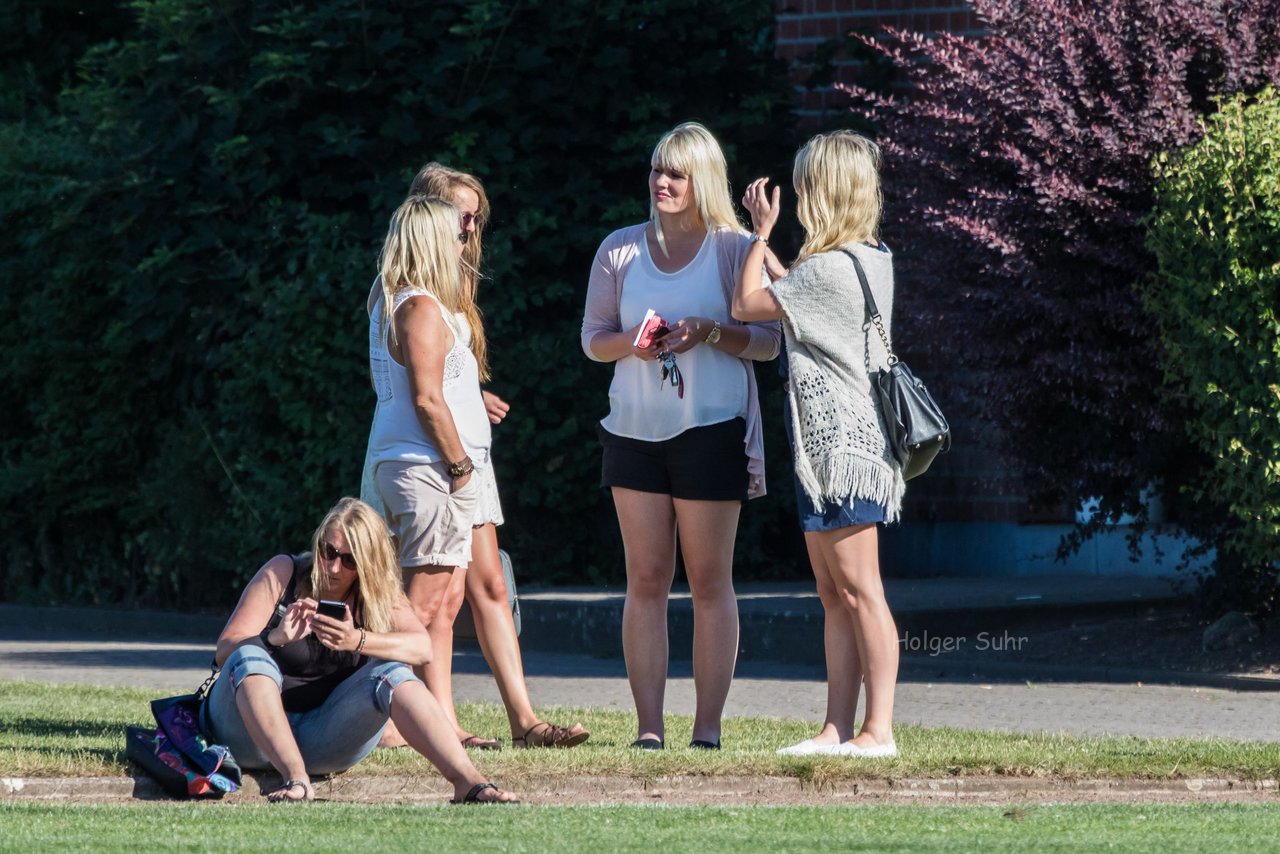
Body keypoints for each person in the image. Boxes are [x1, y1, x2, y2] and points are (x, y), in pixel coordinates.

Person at [580, 122, 781, 750]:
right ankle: (648, 730)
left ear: (703, 181)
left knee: (708, 581)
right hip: (633, 431)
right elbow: (594, 340)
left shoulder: (732, 248)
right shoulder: (619, 248)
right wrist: (635, 346)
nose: (662, 182)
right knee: (645, 579)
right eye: (656, 170)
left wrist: (709, 332)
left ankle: (708, 730)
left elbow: (773, 340)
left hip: (711, 430)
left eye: (677, 173)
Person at [365, 185, 587, 751]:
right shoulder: (416, 303)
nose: (466, 232)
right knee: (423, 601)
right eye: (456, 222)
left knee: (445, 597)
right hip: (430, 464)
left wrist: (470, 403)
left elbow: (434, 383)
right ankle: (378, 715)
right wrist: (461, 465)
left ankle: (437, 719)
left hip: (430, 461)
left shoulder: (413, 299)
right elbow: (425, 398)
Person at [732, 131, 905, 758]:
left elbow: (746, 303)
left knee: (861, 592)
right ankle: (837, 727)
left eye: (806, 184)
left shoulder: (830, 268)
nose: (798, 195)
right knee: (834, 594)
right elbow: (800, 298)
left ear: (826, 191)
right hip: (830, 448)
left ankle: (877, 729)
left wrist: (757, 234)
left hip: (845, 453)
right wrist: (779, 255)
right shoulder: (867, 255)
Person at [201, 497, 518, 803]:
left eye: (349, 559)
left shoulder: (377, 594)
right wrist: (275, 638)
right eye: (328, 551)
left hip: (323, 737)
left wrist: (357, 640)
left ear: (367, 563)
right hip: (247, 734)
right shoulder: (284, 572)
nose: (334, 567)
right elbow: (224, 652)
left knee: (392, 673)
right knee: (250, 656)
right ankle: (296, 780)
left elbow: (422, 648)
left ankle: (470, 783)